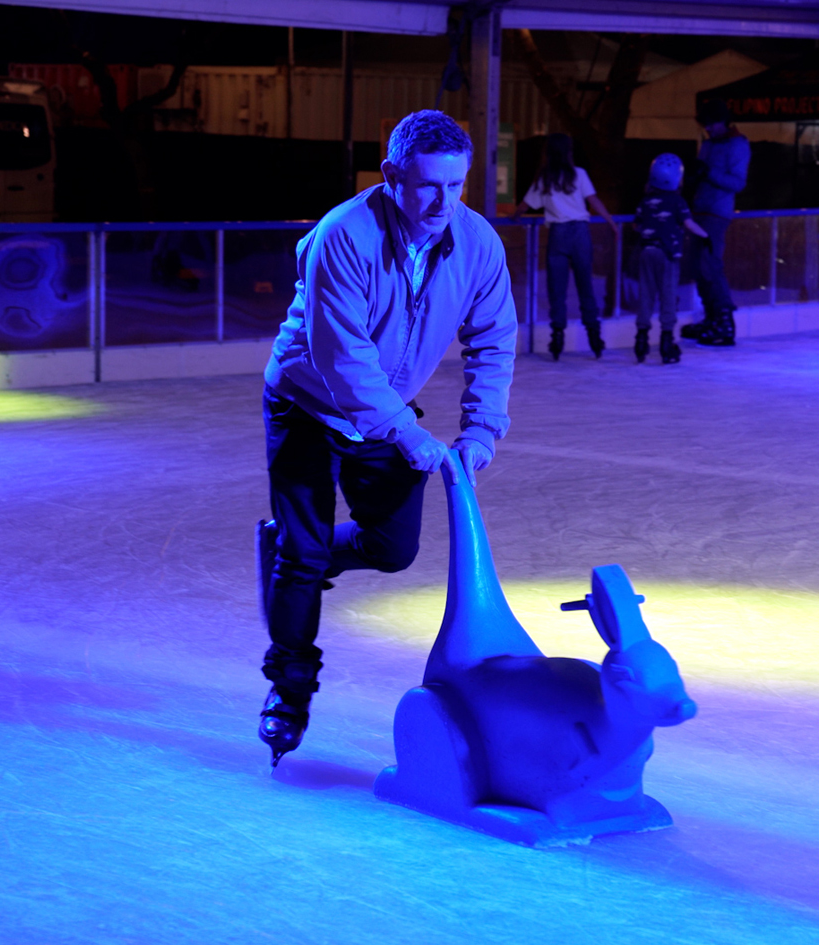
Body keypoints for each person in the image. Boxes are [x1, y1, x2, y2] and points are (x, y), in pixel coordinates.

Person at [256, 110, 518, 766]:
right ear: (392, 174)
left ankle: (295, 549)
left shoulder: (478, 242)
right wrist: (405, 432)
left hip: (385, 412)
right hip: (307, 402)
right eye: (428, 186)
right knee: (303, 556)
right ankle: (289, 691)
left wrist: (482, 428)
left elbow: (493, 338)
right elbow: (342, 357)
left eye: (457, 186)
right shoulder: (341, 237)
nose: (443, 203)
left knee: (393, 548)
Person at [522, 133, 620, 361]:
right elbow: (593, 200)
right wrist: (611, 222)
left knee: (557, 290)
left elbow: (526, 205)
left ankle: (557, 339)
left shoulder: (545, 178)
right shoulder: (580, 174)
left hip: (558, 234)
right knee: (585, 286)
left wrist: (515, 216)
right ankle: (595, 338)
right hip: (580, 234)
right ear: (568, 152)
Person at [681, 99, 749, 347]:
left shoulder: (737, 145)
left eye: (711, 124)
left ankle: (724, 321)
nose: (708, 129)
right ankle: (712, 317)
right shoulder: (709, 144)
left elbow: (738, 182)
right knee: (698, 267)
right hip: (700, 209)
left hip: (717, 213)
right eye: (706, 125)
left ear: (722, 121)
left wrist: (707, 173)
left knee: (710, 265)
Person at [633, 154, 711, 365]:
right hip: (667, 255)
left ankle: (641, 340)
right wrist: (706, 236)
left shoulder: (645, 201)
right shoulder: (678, 202)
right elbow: (688, 224)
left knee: (646, 295)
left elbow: (636, 225)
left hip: (646, 252)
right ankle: (666, 343)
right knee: (668, 297)